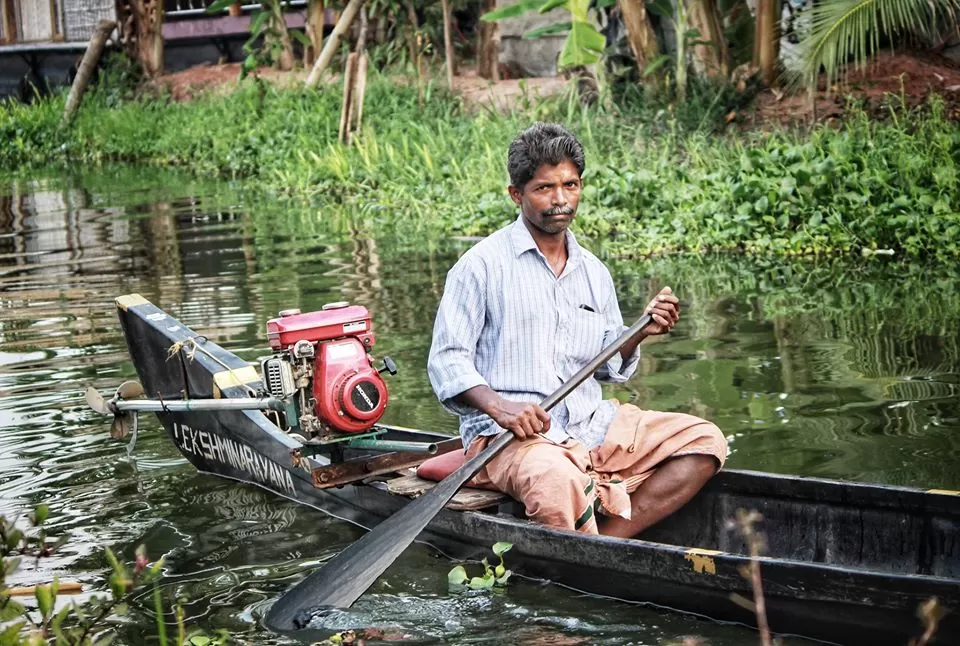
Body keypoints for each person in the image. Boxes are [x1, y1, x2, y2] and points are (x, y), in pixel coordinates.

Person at [427, 123, 727, 537]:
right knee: (556, 479)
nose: (560, 200)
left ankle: (607, 544)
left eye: (570, 185)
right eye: (544, 188)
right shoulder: (480, 267)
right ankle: (591, 547)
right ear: (517, 195)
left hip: (591, 425)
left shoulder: (593, 272)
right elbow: (447, 362)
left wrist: (639, 331)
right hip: (508, 439)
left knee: (703, 440)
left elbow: (604, 364)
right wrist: (500, 407)